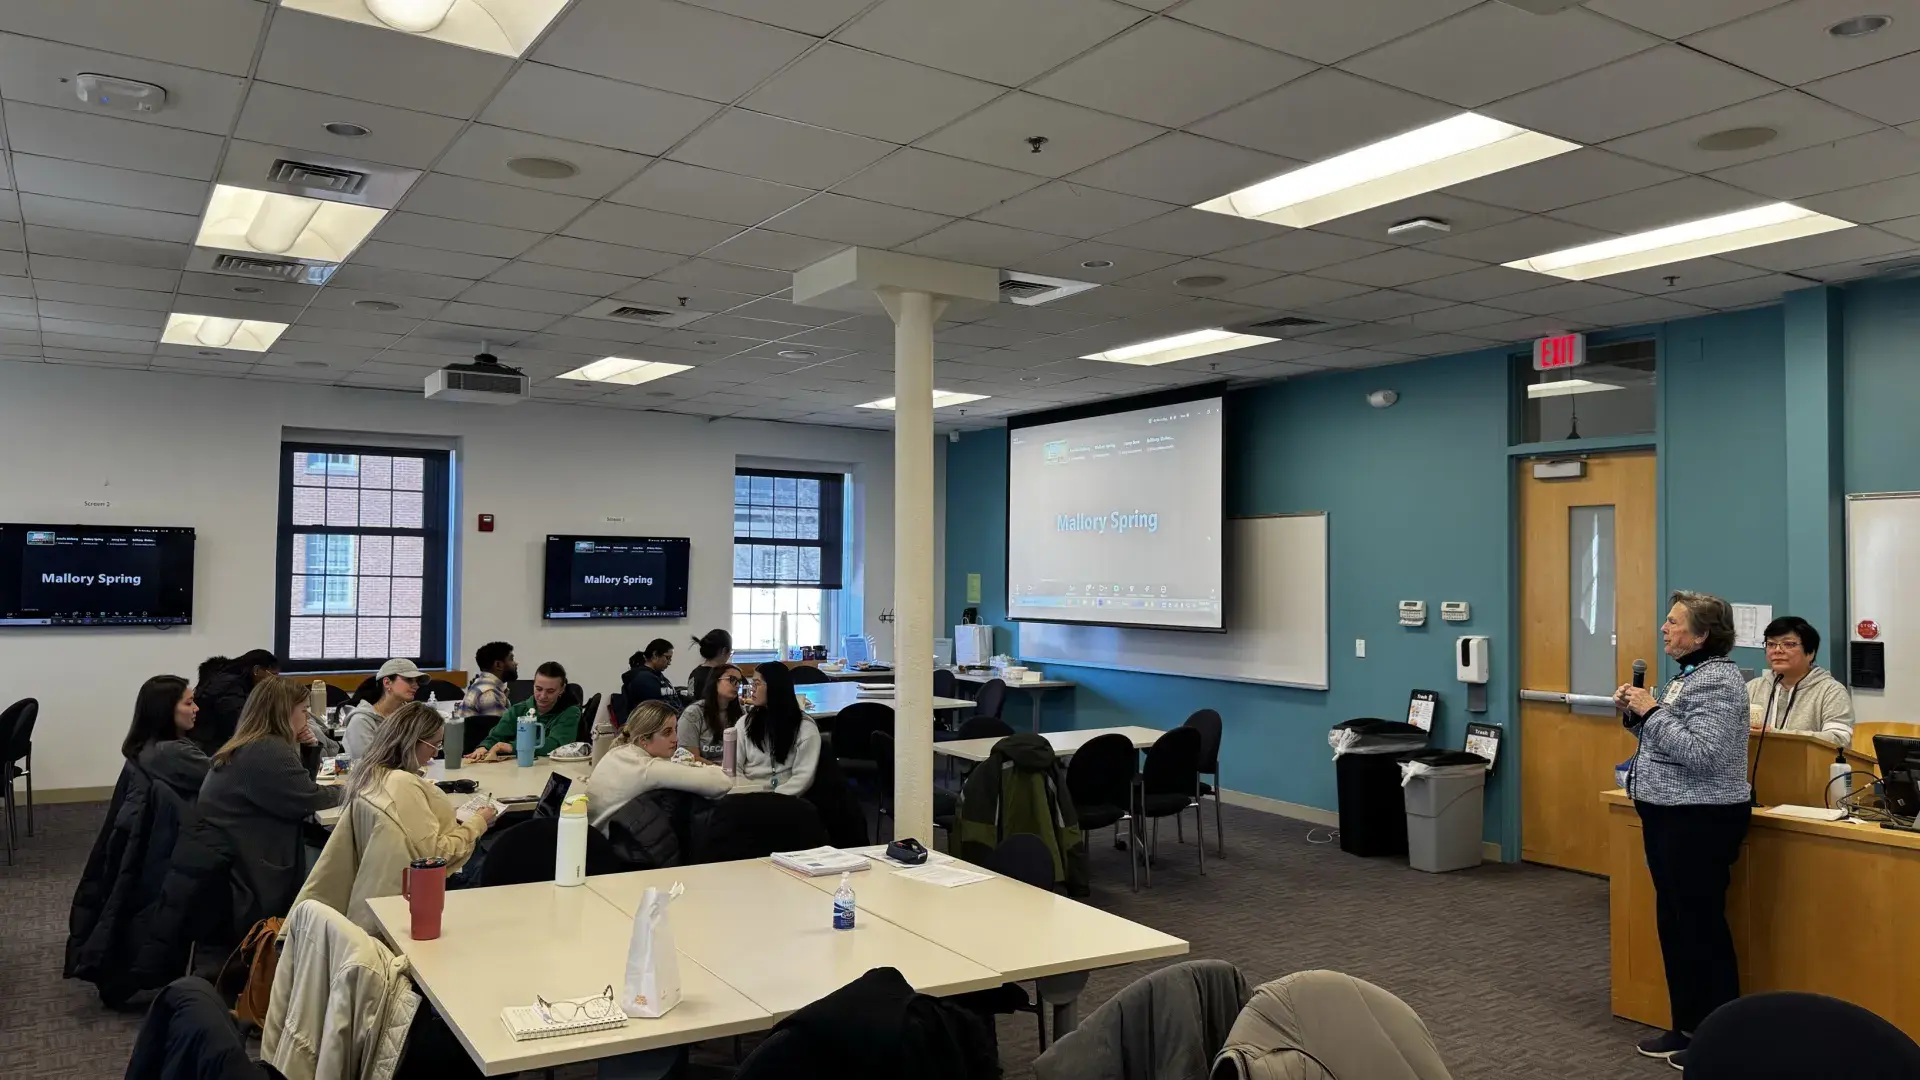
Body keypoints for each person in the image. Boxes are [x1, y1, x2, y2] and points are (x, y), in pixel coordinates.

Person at [1615, 591, 1753, 1069]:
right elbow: (1668, 741)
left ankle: (1719, 1037)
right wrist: (1638, 715)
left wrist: (1651, 711)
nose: (1664, 629)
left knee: (1701, 928)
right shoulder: (1689, 677)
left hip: (1700, 819)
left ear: (1701, 635)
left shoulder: (1719, 681)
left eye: (1673, 622)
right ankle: (1686, 1025)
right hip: (1668, 814)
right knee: (1675, 925)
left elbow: (1702, 754)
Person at [295, 702, 497, 931]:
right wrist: (478, 823)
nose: (435, 752)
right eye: (435, 744)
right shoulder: (403, 785)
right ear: (414, 742)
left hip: (373, 902)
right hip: (408, 903)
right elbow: (437, 854)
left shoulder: (371, 774)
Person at [198, 678, 343, 928]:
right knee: (339, 862)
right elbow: (308, 797)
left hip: (240, 852)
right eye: (304, 710)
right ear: (284, 712)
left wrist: (309, 750)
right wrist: (351, 789)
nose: (307, 717)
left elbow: (294, 791)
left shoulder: (254, 742)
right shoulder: (267, 748)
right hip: (254, 864)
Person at [585, 700, 731, 829]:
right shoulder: (647, 769)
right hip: (614, 848)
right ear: (644, 740)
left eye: (675, 730)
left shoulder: (617, 752)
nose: (675, 738)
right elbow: (722, 783)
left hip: (594, 839)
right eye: (667, 733)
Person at [1747, 615, 1854, 748]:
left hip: (1811, 767)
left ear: (1810, 653)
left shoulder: (1831, 691)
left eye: (1789, 644)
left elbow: (1839, 739)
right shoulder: (1753, 688)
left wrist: (1775, 734)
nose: (1777, 650)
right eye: (1771, 644)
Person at [733, 661, 820, 795]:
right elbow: (734, 768)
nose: (752, 689)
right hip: (748, 796)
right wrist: (747, 793)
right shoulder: (745, 723)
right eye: (752, 684)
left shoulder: (805, 728)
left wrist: (775, 799)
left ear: (775, 687)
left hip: (786, 800)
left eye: (757, 684)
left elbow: (803, 778)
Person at [120, 674, 211, 799]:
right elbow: (226, 779)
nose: (196, 708)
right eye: (189, 703)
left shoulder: (144, 745)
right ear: (165, 709)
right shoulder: (173, 751)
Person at [468, 661, 580, 762]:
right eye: (538, 689)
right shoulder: (518, 710)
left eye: (550, 691)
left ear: (562, 689)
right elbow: (496, 736)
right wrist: (483, 747)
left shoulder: (570, 712)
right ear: (533, 685)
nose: (543, 696)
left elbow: (555, 745)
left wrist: (512, 747)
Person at [190, 649, 279, 755]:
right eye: (273, 675)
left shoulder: (224, 678)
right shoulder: (231, 686)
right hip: (210, 747)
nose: (274, 680)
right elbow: (238, 723)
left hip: (207, 742)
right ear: (256, 670)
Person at [342, 658, 425, 760]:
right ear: (387, 683)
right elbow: (367, 765)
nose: (416, 685)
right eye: (409, 679)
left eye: (417, 681)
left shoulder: (411, 716)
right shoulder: (361, 721)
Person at [678, 663, 743, 765]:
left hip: (736, 770)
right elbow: (689, 757)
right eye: (732, 679)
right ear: (715, 681)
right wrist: (720, 770)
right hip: (704, 772)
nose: (737, 685)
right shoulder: (693, 713)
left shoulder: (741, 713)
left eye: (739, 682)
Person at [453, 641, 516, 724]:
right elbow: (503, 731)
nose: (515, 663)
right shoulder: (489, 693)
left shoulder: (481, 683)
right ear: (498, 665)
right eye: (511, 659)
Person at [621, 639, 676, 708]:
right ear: (655, 655)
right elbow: (659, 709)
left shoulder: (659, 676)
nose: (669, 662)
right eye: (667, 658)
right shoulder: (643, 679)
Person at [685, 628, 733, 703]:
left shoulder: (694, 673)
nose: (730, 655)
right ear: (724, 651)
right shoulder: (721, 676)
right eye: (731, 652)